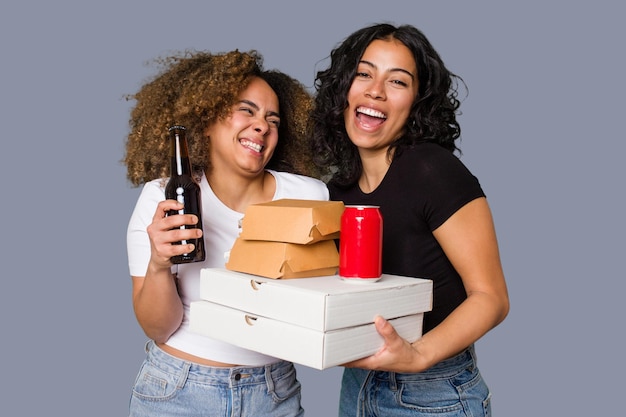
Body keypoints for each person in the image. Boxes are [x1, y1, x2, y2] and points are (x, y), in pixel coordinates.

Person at [310, 23, 510, 416]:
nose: (375, 90)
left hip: (434, 390)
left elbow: (491, 298)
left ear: (417, 102)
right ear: (344, 88)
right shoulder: (337, 191)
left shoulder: (432, 171)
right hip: (359, 382)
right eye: (364, 74)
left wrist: (418, 355)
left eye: (397, 81)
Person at [123, 49, 328, 417]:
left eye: (273, 119)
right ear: (206, 120)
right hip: (178, 392)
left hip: (274, 393)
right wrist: (158, 264)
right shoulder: (164, 197)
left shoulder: (308, 196)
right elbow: (157, 327)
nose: (262, 125)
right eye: (246, 110)